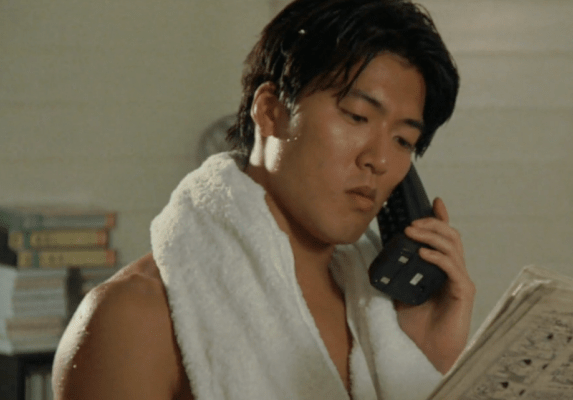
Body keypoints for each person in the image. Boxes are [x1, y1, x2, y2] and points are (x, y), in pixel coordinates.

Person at [52, 0, 473, 398]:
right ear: (271, 111)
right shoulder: (133, 319)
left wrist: (428, 363)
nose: (379, 160)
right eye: (357, 116)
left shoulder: (387, 316)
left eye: (403, 140)